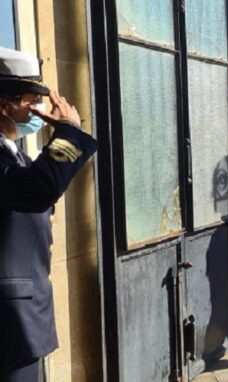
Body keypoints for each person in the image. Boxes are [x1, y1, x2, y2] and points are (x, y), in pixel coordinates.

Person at [0, 47, 98, 382]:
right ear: (4, 104)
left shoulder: (15, 156)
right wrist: (68, 132)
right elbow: (38, 191)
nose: (37, 109)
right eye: (29, 100)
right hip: (9, 320)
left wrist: (71, 135)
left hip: (21, 314)